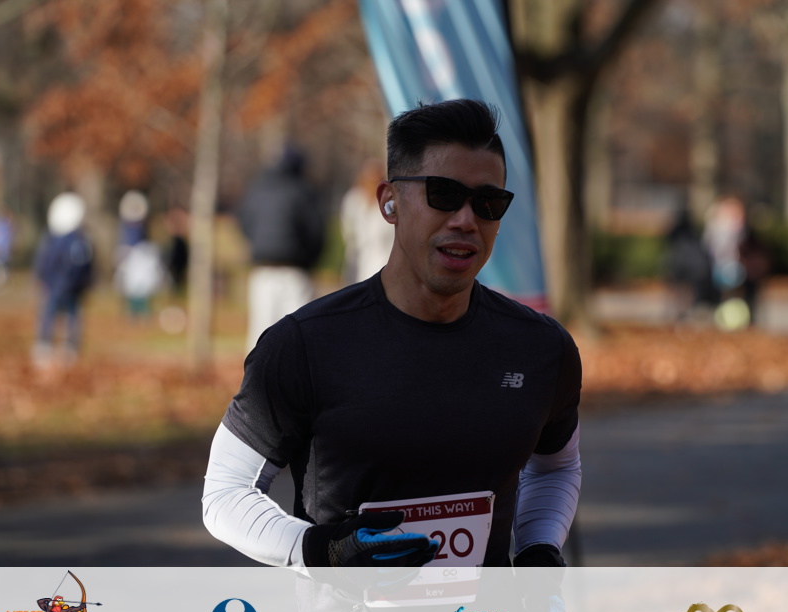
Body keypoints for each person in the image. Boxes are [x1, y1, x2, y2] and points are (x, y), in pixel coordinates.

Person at [203, 99, 582, 576]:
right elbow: (225, 492)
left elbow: (556, 467)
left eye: (488, 202)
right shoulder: (304, 345)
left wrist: (538, 549)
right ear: (389, 202)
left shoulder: (541, 349)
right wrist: (321, 550)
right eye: (444, 194)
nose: (466, 220)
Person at [235, 145, 326, 350]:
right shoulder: (302, 190)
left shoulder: (256, 189)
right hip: (295, 271)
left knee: (260, 334)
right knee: (300, 334)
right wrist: (310, 261)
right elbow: (316, 232)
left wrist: (258, 245)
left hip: (262, 271)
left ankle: (258, 372)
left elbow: (244, 223)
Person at [32, 192, 95, 367]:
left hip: (65, 287)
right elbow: (46, 262)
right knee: (55, 315)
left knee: (65, 316)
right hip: (59, 286)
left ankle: (65, 347)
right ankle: (48, 345)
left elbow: (81, 266)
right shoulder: (68, 239)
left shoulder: (72, 240)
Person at [340, 156, 393, 285]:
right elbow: (347, 231)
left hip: (381, 266)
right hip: (355, 264)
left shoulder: (389, 204)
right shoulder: (353, 199)